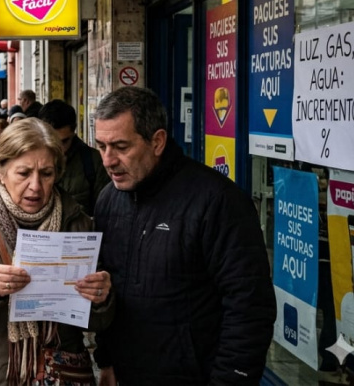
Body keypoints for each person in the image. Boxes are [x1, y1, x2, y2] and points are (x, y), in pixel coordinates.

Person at [91, 87, 275, 386]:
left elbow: (249, 305)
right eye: (101, 146)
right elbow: (109, 287)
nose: (108, 160)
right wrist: (107, 359)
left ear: (157, 141)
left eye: (121, 147)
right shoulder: (108, 200)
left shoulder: (216, 201)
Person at [0, 118, 113, 385]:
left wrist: (101, 299)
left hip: (58, 375)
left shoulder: (77, 222)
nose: (35, 186)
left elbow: (97, 322)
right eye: (24, 173)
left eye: (46, 174)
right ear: (0, 171)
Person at [39, 100, 110, 216]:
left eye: (64, 141)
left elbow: (105, 212)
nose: (59, 149)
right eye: (52, 141)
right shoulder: (29, 160)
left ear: (74, 131)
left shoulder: (93, 161)